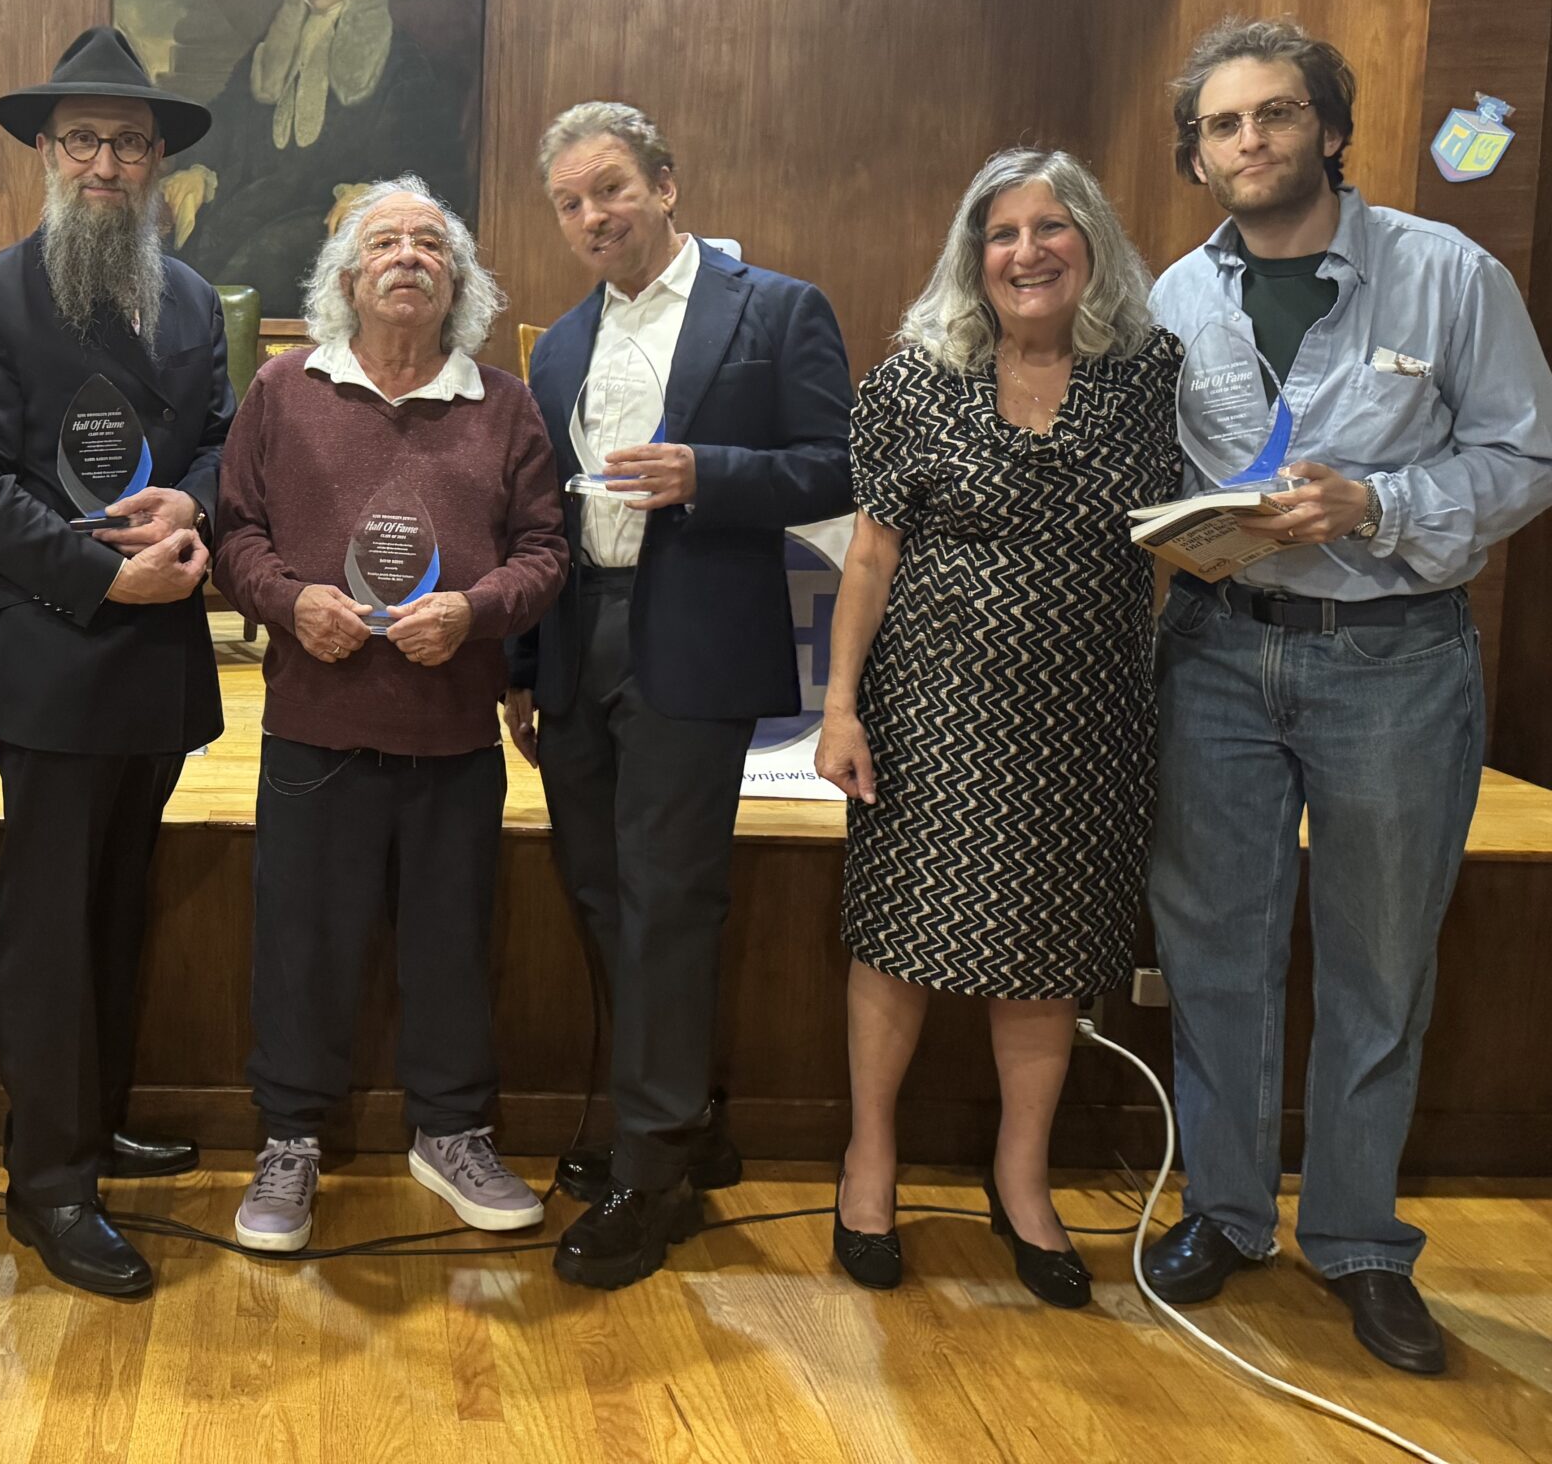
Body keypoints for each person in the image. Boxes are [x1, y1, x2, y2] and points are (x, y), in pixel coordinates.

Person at [1143, 17, 1552, 1374]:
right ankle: (1226, 1213)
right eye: (1220, 125)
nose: (1247, 142)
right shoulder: (1172, 300)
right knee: (1215, 951)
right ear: (1197, 152)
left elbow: (1524, 458)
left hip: (1394, 662)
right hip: (1213, 652)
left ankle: (1365, 1242)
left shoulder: (1451, 275)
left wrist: (1378, 503)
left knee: (1381, 961)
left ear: (1329, 127)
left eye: (1272, 115)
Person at [815, 148, 1180, 1307]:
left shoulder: (1151, 374)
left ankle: (1020, 1177)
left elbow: (1186, 530)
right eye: (1001, 232)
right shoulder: (914, 379)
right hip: (929, 708)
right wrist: (838, 708)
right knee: (898, 937)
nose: (1026, 251)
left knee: (1052, 947)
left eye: (1049, 227)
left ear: (1092, 245)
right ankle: (865, 1161)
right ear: (973, 258)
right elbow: (868, 556)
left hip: (1087, 714)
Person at [503, 101, 852, 1290]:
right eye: (569, 203)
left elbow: (836, 463)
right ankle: (682, 1114)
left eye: (610, 189)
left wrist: (709, 474)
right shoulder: (554, 347)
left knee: (665, 900)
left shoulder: (776, 310)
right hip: (578, 634)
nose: (592, 216)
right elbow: (541, 513)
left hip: (692, 640)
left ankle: (651, 1171)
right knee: (600, 893)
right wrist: (520, 667)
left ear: (664, 181)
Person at [0, 26, 235, 1299]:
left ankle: (93, 1122)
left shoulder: (197, 300)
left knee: (116, 905)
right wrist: (101, 567)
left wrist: (194, 512)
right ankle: (44, 1182)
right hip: (55, 656)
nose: (106, 161)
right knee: (49, 925)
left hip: (158, 662)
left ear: (158, 161)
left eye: (129, 141)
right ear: (44, 155)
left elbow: (223, 446)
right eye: (82, 140)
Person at [212, 179, 567, 1251]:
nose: (406, 256)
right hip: (314, 726)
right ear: (347, 278)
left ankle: (450, 1131)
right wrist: (288, 600)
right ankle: (288, 1142)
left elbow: (547, 551)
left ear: (456, 282)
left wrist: (475, 611)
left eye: (429, 244)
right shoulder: (282, 390)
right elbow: (234, 535)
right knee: (300, 943)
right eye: (384, 243)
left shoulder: (503, 405)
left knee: (452, 941)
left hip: (451, 731)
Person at [159, 0, 468, 308]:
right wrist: (198, 168)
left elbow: (420, 145)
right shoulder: (276, 40)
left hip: (327, 203)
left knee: (264, 258)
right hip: (255, 192)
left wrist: (372, 192)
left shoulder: (396, 53)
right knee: (197, 248)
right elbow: (229, 110)